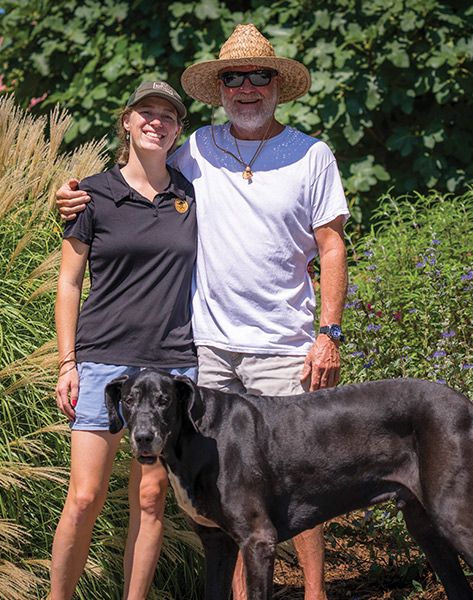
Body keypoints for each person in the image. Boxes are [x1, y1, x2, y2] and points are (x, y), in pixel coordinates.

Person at [56, 24, 348, 600]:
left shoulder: (312, 155)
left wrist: (328, 333)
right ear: (219, 89)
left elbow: (332, 246)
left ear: (276, 86)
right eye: (233, 78)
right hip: (206, 347)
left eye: (258, 77)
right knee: (221, 484)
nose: (246, 88)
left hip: (283, 342)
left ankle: (315, 593)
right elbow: (135, 175)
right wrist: (67, 195)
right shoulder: (197, 148)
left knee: (298, 472)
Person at [51, 81, 197, 600]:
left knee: (152, 496)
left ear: (178, 131)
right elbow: (68, 283)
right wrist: (67, 362)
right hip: (101, 363)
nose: (157, 122)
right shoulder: (92, 195)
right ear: (127, 122)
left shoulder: (191, 194)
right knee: (85, 496)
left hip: (173, 364)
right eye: (147, 113)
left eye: (168, 116)